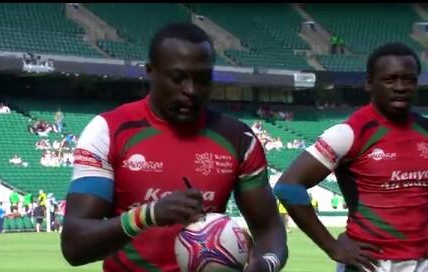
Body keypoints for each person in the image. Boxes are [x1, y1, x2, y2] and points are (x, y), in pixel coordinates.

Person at [61, 22, 288, 272]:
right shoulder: (108, 131)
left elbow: (269, 228)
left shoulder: (239, 138)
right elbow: (74, 245)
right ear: (150, 72)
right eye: (178, 78)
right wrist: (149, 215)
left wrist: (267, 265)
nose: (191, 91)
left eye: (202, 80)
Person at [274, 42, 428, 272]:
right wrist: (331, 246)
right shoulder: (350, 133)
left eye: (409, 79)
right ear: (369, 84)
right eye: (390, 79)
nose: (400, 87)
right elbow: (288, 187)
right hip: (371, 264)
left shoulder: (425, 129)